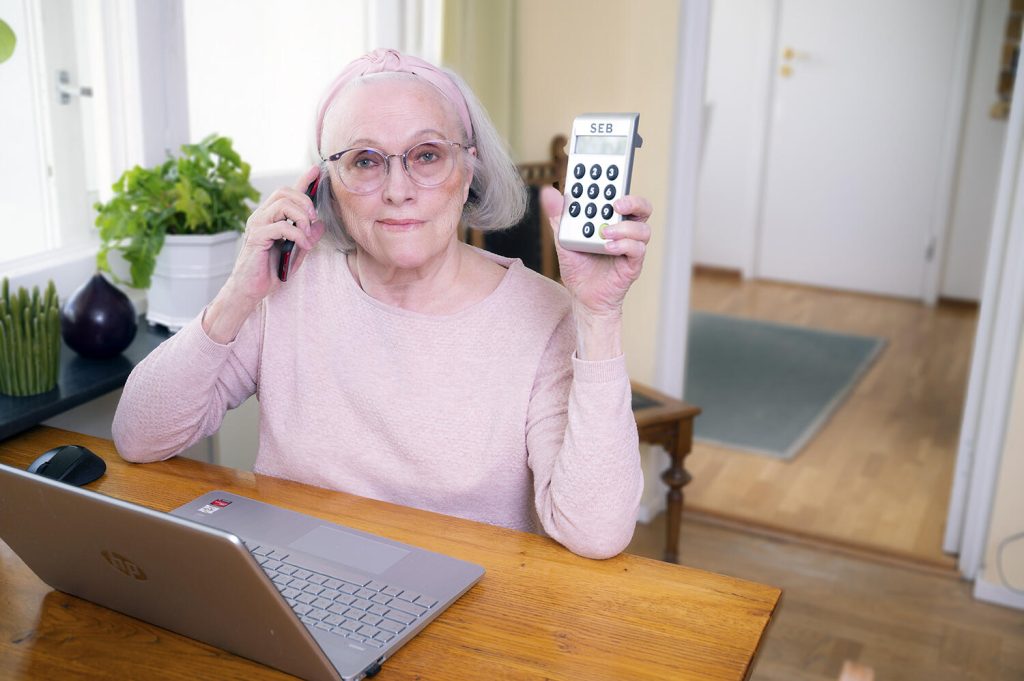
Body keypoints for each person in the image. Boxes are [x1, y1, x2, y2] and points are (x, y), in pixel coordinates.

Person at [113, 48, 652, 560]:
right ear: (323, 183)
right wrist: (238, 293)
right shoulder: (289, 285)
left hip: (469, 618)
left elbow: (595, 533)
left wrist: (599, 318)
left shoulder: (546, 315)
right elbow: (139, 436)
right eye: (365, 161)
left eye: (426, 155)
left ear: (469, 170)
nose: (398, 189)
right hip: (295, 591)